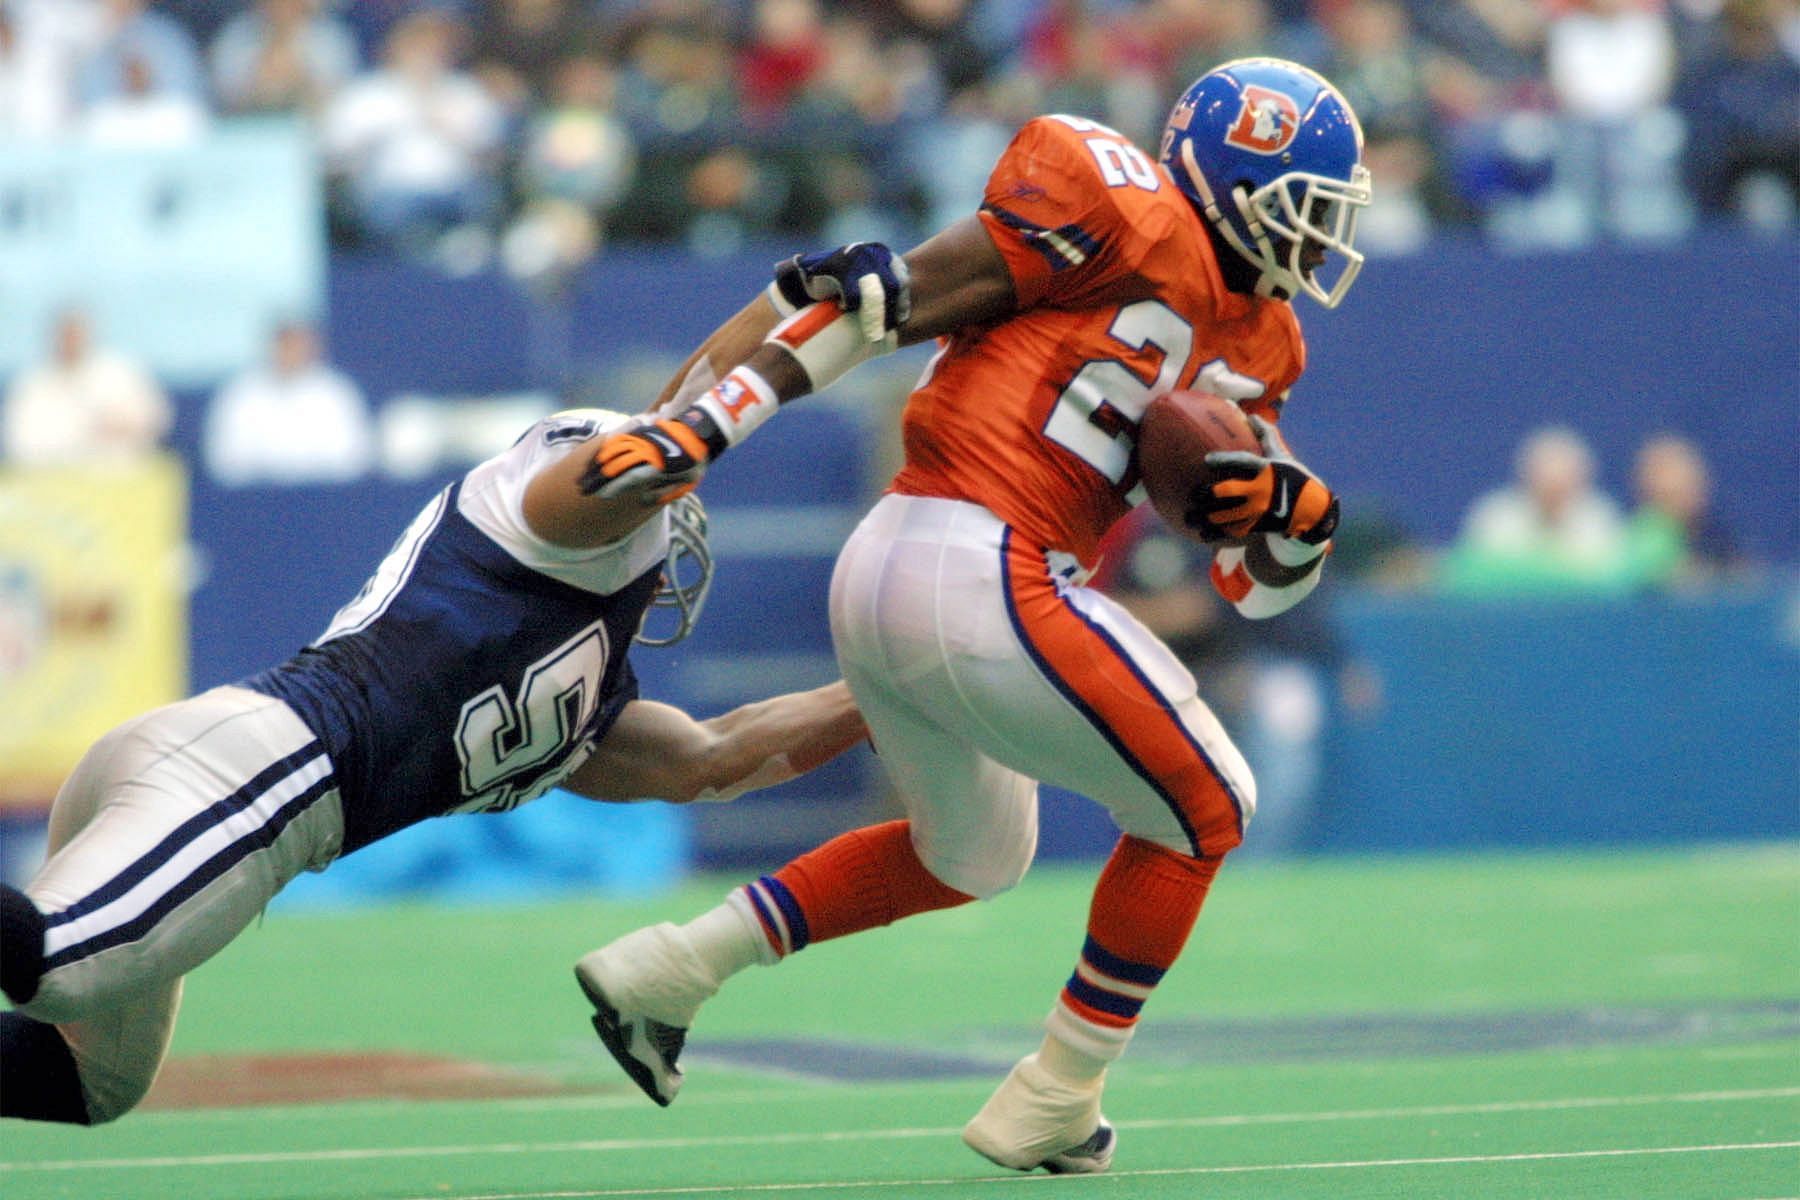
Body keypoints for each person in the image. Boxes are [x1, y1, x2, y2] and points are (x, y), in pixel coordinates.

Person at [570, 57, 1370, 1174]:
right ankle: (1059, 1088)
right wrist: (703, 429)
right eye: (1303, 211)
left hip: (893, 572)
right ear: (1222, 178)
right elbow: (875, 300)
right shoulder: (1113, 198)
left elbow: (1254, 582)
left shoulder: (1265, 342)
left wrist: (1301, 514)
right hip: (987, 562)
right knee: (1210, 803)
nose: (1319, 242)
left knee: (979, 851)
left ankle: (671, 969)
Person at [0, 407, 870, 1126]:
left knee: (88, 1082)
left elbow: (712, 759)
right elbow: (631, 456)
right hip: (258, 772)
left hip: (237, 774)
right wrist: (730, 403)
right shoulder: (532, 529)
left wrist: (898, 685)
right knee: (60, 963)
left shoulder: (580, 699)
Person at [1439, 424, 1629, 595]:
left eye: (1563, 482)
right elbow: (1474, 576)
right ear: (1526, 475)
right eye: (1544, 480)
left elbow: (1608, 579)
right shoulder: (1495, 514)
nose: (1553, 490)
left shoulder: (1600, 516)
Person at [203, 319, 376, 487]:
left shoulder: (337, 393)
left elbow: (354, 458)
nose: (292, 351)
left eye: (298, 344)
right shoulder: (240, 393)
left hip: (324, 501)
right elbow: (223, 458)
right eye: (286, 344)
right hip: (255, 502)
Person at [2, 307, 171, 466]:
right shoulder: (33, 383)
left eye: (75, 335)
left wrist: (121, 427)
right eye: (65, 336)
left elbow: (156, 419)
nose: (70, 342)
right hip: (51, 480)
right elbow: (17, 440)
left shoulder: (119, 374)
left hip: (119, 478)